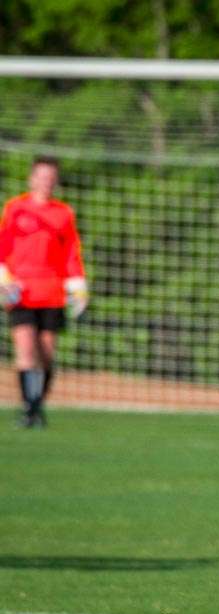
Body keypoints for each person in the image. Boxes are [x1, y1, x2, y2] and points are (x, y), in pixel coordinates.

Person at [0, 156, 89, 428]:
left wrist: (78, 285)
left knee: (47, 353)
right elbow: (3, 245)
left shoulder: (63, 213)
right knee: (25, 350)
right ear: (32, 178)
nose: (46, 182)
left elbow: (71, 252)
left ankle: (38, 406)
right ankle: (29, 410)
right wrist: (3, 276)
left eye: (51, 177)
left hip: (51, 292)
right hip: (21, 291)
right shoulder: (16, 208)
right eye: (41, 176)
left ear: (55, 181)